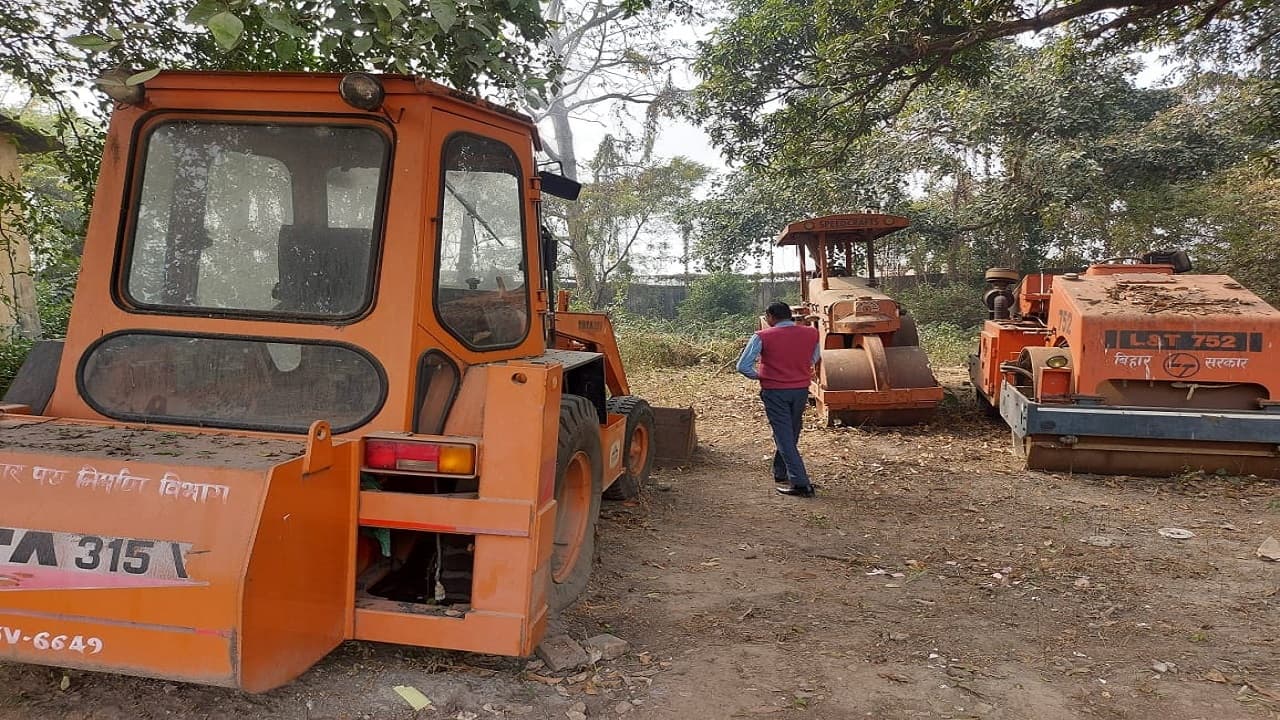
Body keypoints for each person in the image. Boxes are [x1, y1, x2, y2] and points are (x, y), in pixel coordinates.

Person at [736, 301, 821, 498]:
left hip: (775, 391)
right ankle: (781, 472)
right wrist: (798, 368)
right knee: (792, 431)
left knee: (783, 436)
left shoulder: (762, 336)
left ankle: (801, 483)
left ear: (770, 317)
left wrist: (760, 376)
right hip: (800, 390)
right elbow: (814, 357)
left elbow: (743, 366)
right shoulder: (811, 333)